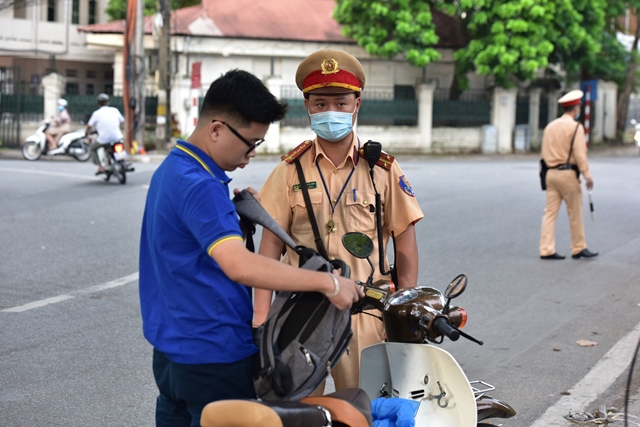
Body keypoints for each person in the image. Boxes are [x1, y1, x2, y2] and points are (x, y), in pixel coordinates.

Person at [138, 69, 363, 427]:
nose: (251, 155)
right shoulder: (201, 186)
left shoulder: (173, 168)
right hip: (212, 355)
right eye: (251, 143)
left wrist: (237, 222)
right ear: (216, 129)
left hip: (171, 353)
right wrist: (328, 284)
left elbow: (186, 251)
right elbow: (239, 266)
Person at [253, 49, 424, 393]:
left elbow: (405, 242)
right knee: (298, 412)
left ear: (356, 105)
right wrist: (261, 321)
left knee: (364, 409)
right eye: (320, 104)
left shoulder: (382, 169)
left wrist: (403, 314)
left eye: (341, 103)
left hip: (364, 315)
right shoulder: (289, 171)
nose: (330, 111)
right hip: (300, 314)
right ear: (308, 107)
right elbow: (268, 250)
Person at [540, 89, 598, 260]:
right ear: (575, 109)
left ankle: (546, 249)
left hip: (550, 174)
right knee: (575, 212)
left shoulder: (550, 126)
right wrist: (587, 176)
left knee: (549, 212)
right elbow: (580, 155)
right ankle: (579, 247)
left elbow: (543, 153)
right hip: (567, 174)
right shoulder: (575, 128)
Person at [86, 93, 125, 175]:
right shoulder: (115, 110)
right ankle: (122, 160)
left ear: (98, 103)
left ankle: (100, 167)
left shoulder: (96, 113)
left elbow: (89, 126)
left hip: (104, 139)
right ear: (107, 102)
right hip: (117, 137)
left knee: (92, 148)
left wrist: (87, 132)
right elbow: (122, 121)